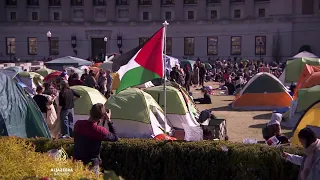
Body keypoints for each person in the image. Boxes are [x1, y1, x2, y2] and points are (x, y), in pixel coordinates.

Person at [74, 103, 118, 174]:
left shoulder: (78, 124)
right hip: (92, 165)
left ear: (90, 112)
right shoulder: (99, 131)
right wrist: (108, 120)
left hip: (77, 163)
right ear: (102, 116)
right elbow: (115, 137)